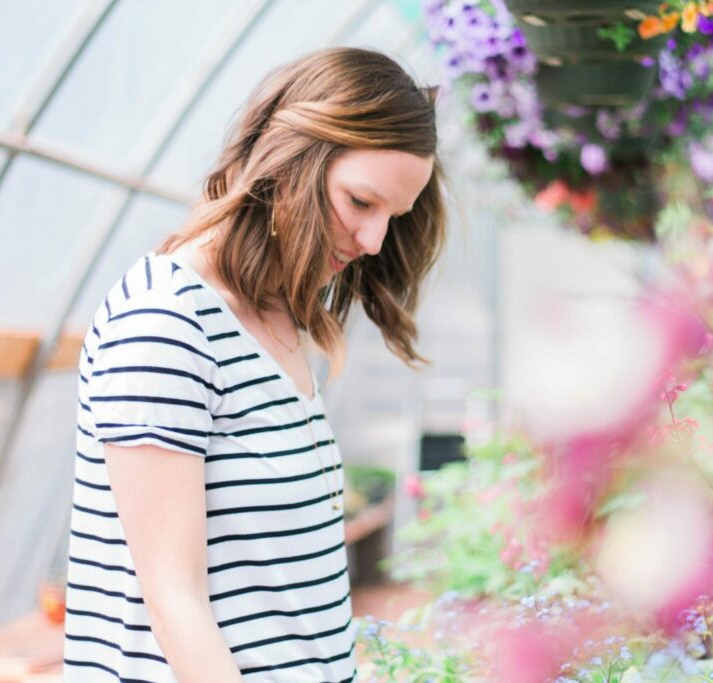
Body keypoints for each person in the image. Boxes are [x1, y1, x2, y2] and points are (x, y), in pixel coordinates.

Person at [62, 46, 445, 682]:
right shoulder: (168, 321)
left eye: (393, 218)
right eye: (360, 202)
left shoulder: (276, 320)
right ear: (291, 159)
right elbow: (174, 600)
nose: (375, 242)